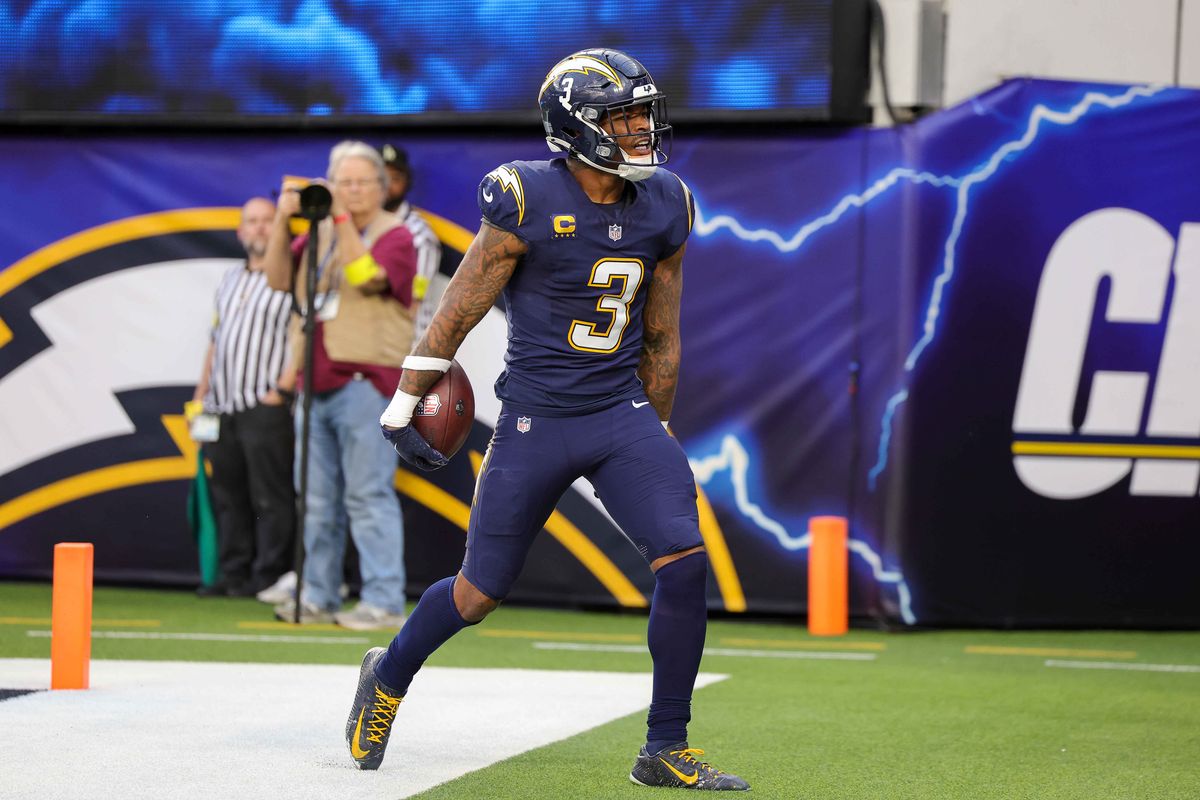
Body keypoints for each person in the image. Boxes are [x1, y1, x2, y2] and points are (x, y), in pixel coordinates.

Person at [344, 50, 749, 791]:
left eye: (641, 112)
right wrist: (406, 399)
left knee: (684, 562)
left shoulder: (666, 202)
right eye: (620, 116)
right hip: (534, 417)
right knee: (477, 593)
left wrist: (653, 429)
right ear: (576, 127)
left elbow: (661, 333)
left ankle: (664, 746)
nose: (638, 128)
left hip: (617, 410)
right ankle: (389, 675)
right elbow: (459, 307)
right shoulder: (526, 197)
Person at [261, 140, 416, 631]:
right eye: (342, 183)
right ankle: (319, 594)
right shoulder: (320, 232)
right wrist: (285, 224)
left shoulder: (398, 235)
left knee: (368, 495)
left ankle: (384, 599)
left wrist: (342, 221)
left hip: (366, 380)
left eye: (359, 182)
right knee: (317, 499)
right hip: (316, 380)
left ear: (382, 186)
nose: (350, 192)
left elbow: (366, 277)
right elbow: (278, 280)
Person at [189, 197, 296, 598]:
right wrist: (200, 398)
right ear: (240, 231)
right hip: (221, 404)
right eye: (251, 222)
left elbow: (301, 336)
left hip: (263, 402)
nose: (259, 229)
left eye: (267, 221)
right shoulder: (230, 278)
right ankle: (231, 574)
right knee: (228, 495)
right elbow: (215, 343)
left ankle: (268, 575)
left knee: (270, 495)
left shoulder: (289, 277)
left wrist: (281, 389)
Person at [380, 143, 443, 341]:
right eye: (381, 177)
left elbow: (414, 300)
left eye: (395, 178)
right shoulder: (358, 227)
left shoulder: (419, 234)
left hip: (404, 342)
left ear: (407, 183)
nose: (387, 185)